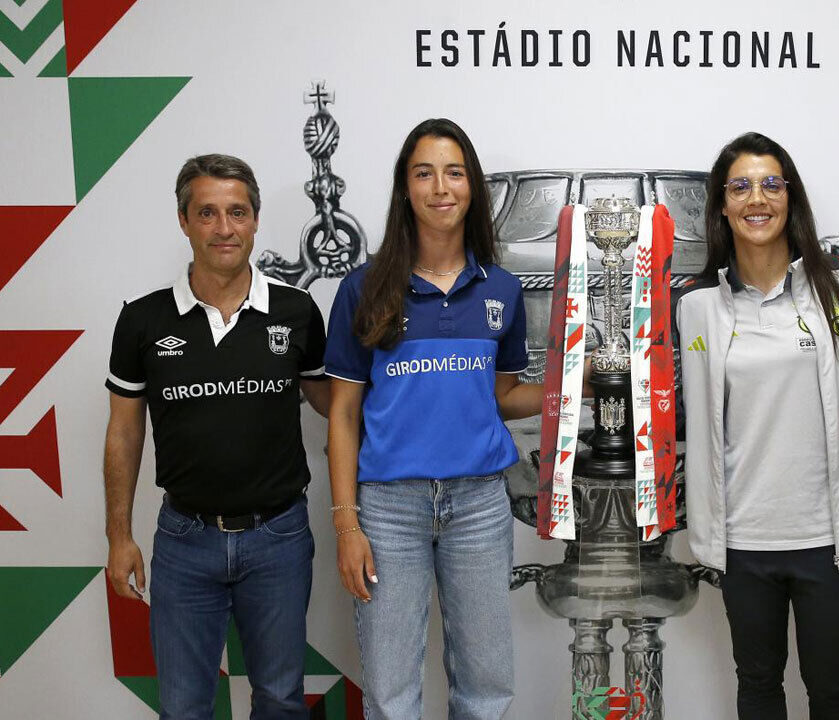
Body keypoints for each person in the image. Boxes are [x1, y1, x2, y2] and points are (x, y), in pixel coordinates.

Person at [675, 131, 839, 720]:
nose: (755, 198)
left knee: (831, 687)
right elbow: (672, 410)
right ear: (721, 205)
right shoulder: (695, 306)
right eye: (739, 186)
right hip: (743, 541)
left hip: (829, 539)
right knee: (758, 685)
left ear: (791, 198)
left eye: (770, 183)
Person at [324, 118, 542, 720]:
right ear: (405, 189)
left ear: (472, 187)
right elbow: (342, 415)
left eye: (454, 172)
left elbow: (503, 396)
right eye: (424, 173)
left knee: (486, 688)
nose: (440, 187)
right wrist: (347, 524)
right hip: (389, 510)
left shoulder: (500, 289)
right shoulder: (364, 289)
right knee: (391, 695)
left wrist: (566, 399)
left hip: (479, 506)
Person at [103, 153, 330, 719]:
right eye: (207, 213)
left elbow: (335, 408)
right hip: (184, 541)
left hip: (278, 536)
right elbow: (124, 434)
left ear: (255, 221)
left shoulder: (298, 311)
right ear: (183, 221)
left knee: (279, 700)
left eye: (237, 212)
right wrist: (118, 537)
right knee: (183, 708)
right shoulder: (143, 320)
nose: (224, 228)